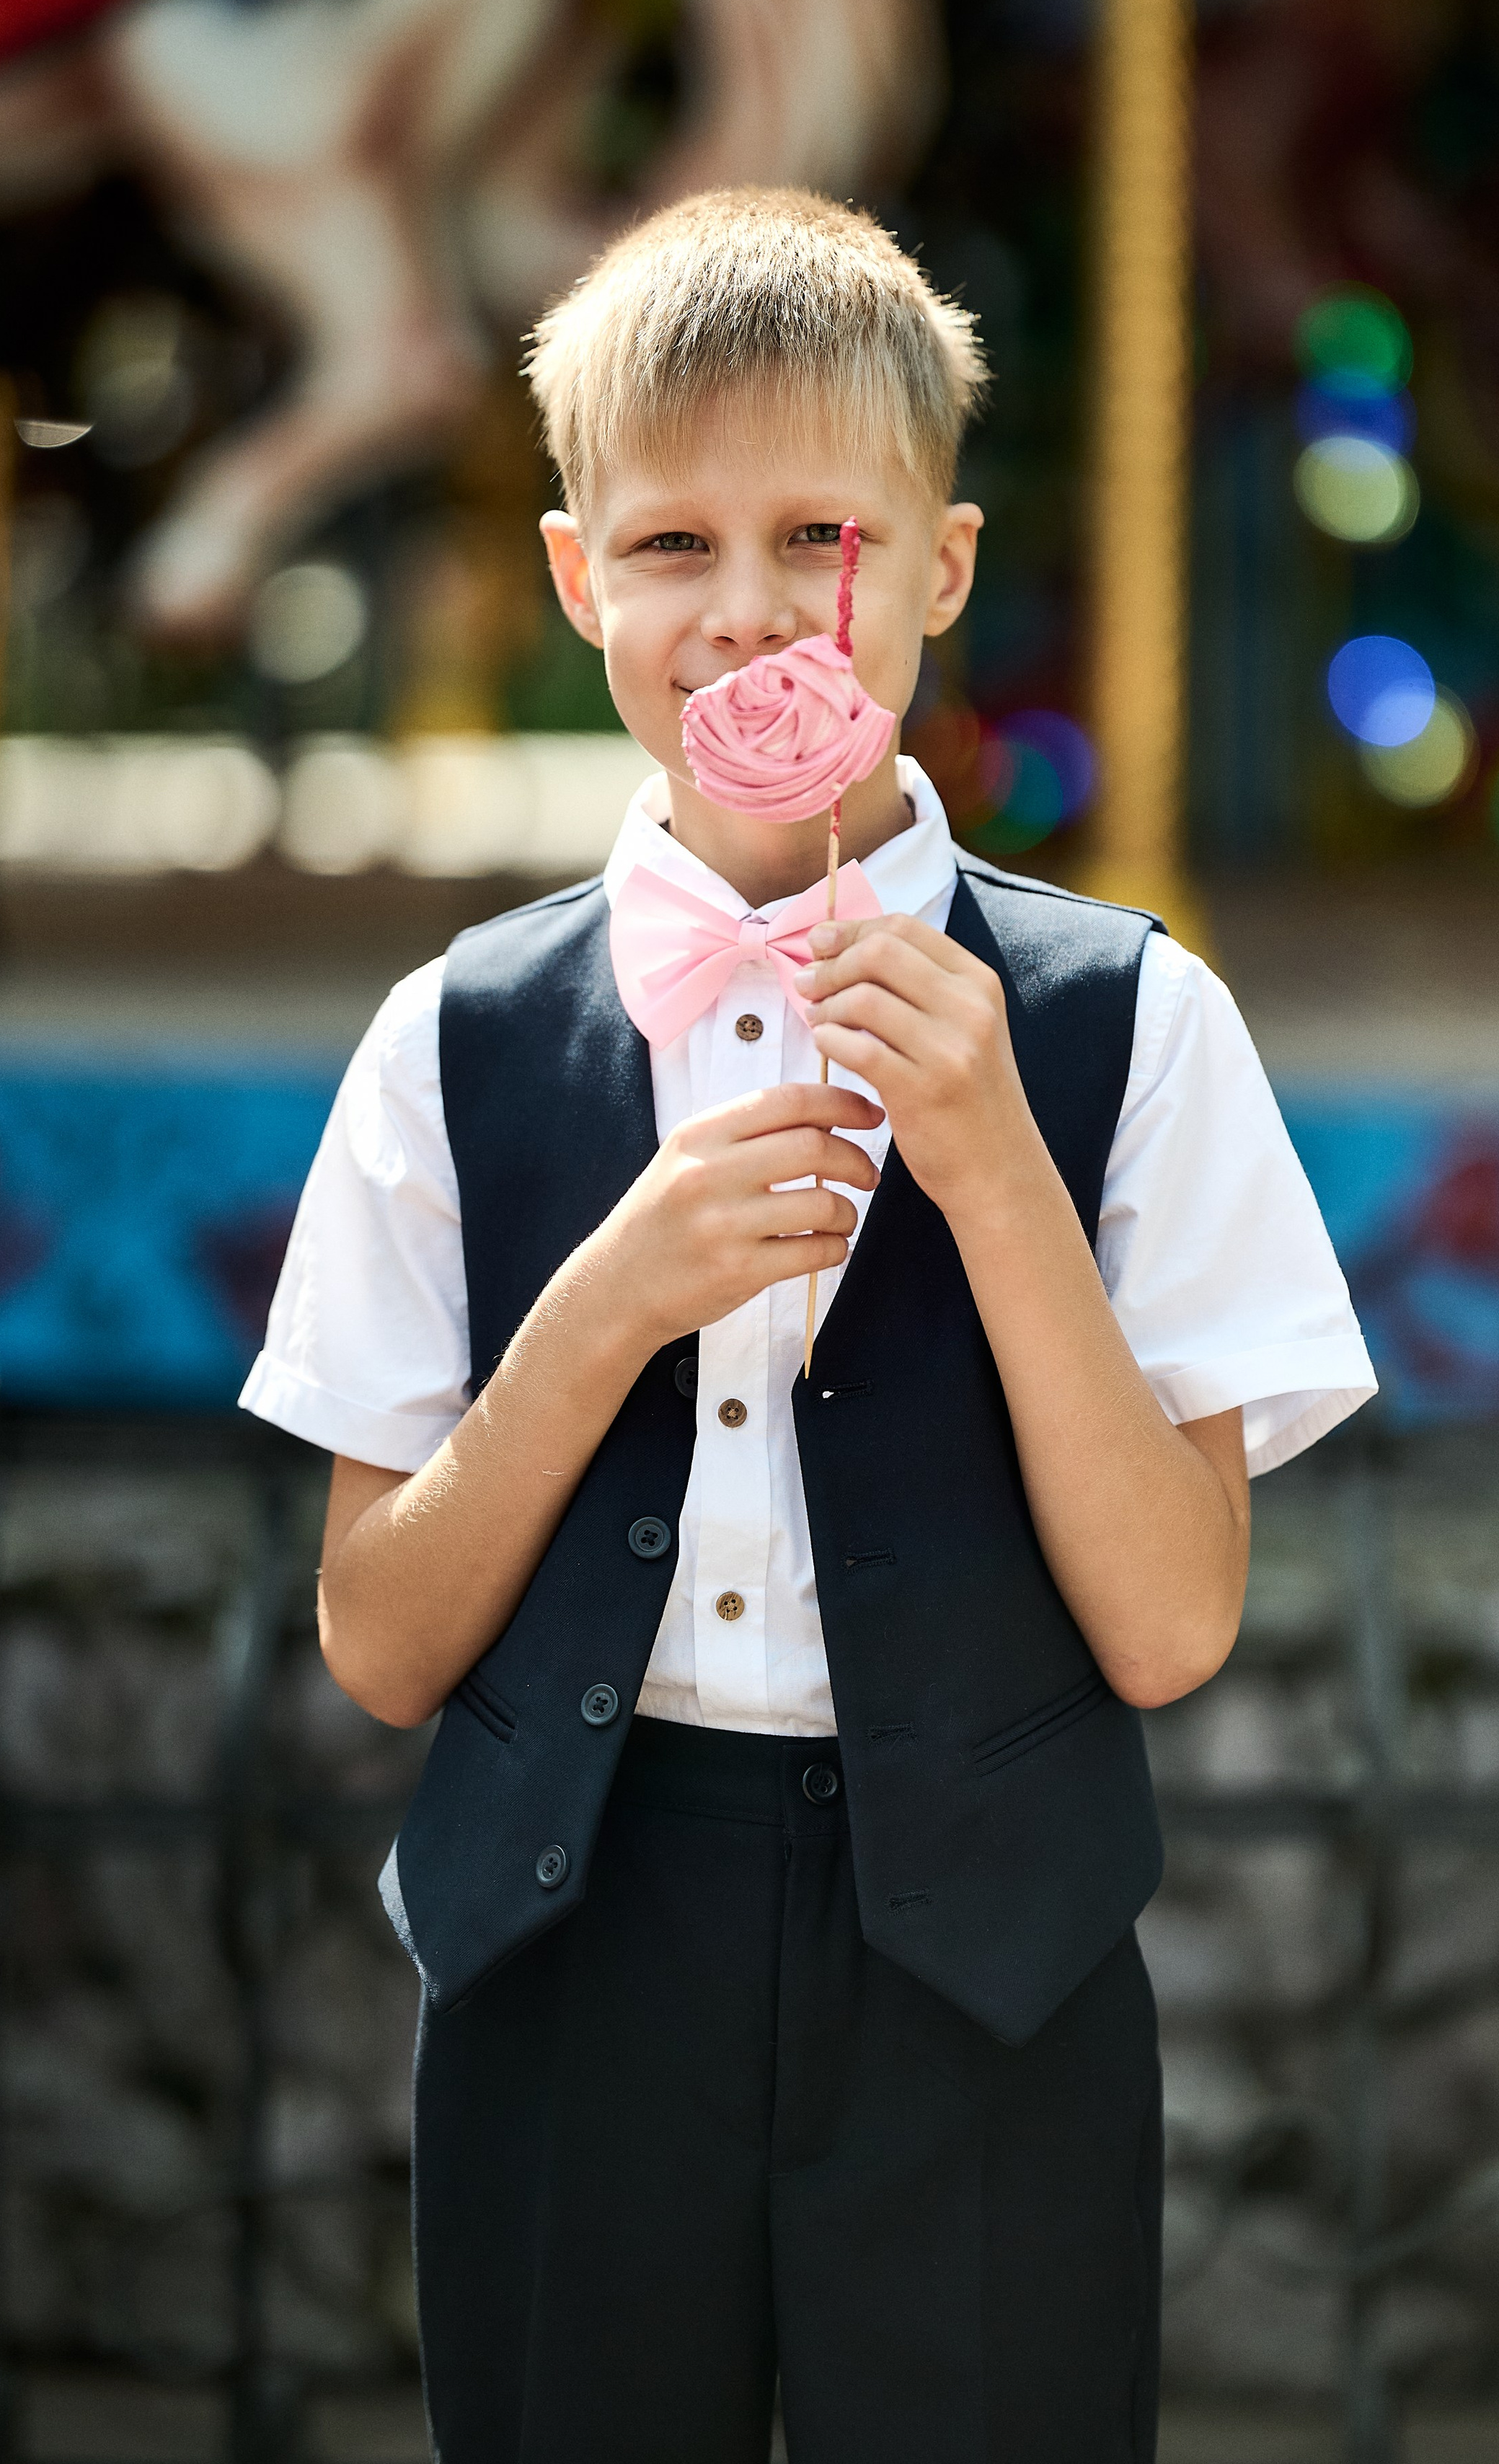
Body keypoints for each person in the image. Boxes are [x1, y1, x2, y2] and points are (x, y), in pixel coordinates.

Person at [241, 186, 1376, 2463]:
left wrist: (993, 1164)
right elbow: (375, 1640)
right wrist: (608, 1304)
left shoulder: (1135, 1027)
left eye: (819, 541)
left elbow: (1170, 1626)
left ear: (939, 568)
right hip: (576, 1948)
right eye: (670, 548)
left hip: (984, 1974)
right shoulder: (449, 1042)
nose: (749, 612)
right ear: (578, 583)